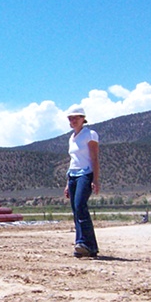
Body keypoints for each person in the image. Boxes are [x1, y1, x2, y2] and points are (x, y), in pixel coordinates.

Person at [63, 106, 100, 257]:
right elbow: (73, 160)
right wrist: (67, 183)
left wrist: (96, 179)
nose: (73, 121)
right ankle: (82, 244)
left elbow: (94, 158)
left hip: (86, 173)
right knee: (76, 210)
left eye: (76, 117)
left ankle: (87, 243)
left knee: (80, 206)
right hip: (73, 175)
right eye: (70, 118)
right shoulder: (72, 138)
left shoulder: (90, 134)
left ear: (83, 118)